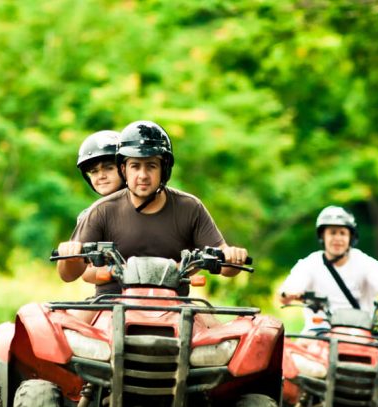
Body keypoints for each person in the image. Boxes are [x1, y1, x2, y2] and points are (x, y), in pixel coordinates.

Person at [56, 120, 248, 295]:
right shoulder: (101, 210)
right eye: (135, 166)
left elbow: (227, 267)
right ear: (124, 169)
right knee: (62, 331)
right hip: (109, 305)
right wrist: (70, 257)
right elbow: (68, 275)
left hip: (177, 309)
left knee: (225, 332)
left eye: (151, 166)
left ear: (164, 169)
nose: (143, 175)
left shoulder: (190, 207)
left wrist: (233, 256)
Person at [278, 205, 378, 334]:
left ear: (351, 237)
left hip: (360, 333)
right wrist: (289, 294)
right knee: (295, 357)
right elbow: (286, 292)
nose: (337, 238)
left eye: (342, 233)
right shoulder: (309, 264)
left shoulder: (365, 262)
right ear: (323, 236)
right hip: (318, 332)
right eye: (332, 233)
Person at [56, 130, 125, 282]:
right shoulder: (91, 215)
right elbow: (83, 273)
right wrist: (69, 255)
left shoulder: (154, 206)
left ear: (125, 167)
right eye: (94, 171)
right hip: (110, 299)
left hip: (162, 297)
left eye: (108, 168)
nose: (101, 176)